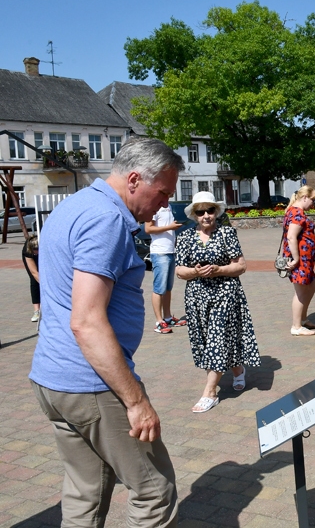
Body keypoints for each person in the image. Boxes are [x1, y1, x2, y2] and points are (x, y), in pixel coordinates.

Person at [29, 137, 183, 527]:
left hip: (54, 378)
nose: (166, 203)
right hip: (91, 384)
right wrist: (134, 401)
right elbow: (86, 320)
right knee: (154, 491)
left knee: (85, 491)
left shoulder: (75, 206)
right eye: (163, 192)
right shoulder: (107, 219)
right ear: (134, 179)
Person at [176, 191, 260, 413]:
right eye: (200, 211)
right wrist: (195, 271)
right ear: (194, 214)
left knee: (218, 338)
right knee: (209, 340)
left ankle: (210, 392)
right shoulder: (185, 237)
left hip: (225, 294)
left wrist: (219, 270)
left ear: (216, 212)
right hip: (196, 298)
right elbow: (179, 270)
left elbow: (240, 266)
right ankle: (237, 369)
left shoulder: (226, 234)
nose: (205, 215)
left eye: (210, 210)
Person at [282, 185, 315, 336]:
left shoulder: (294, 211)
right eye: (312, 200)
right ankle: (296, 326)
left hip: (305, 259)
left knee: (312, 284)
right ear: (305, 198)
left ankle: (302, 319)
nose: (313, 204)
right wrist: (296, 258)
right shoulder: (297, 213)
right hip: (300, 260)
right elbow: (291, 237)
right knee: (301, 291)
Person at [146, 204, 186, 334]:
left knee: (168, 288)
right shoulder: (153, 206)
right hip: (159, 252)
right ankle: (159, 322)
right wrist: (170, 227)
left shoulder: (167, 205)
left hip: (170, 251)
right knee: (159, 288)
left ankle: (167, 318)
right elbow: (148, 228)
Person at [22, 235, 40, 322]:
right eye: (34, 251)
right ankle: (37, 311)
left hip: (45, 255)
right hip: (30, 259)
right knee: (34, 280)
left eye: (37, 249)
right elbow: (34, 273)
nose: (36, 252)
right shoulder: (28, 251)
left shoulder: (45, 246)